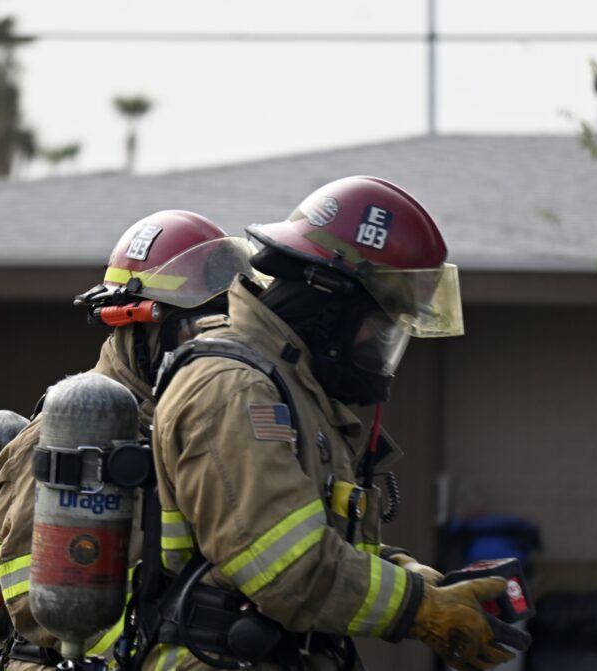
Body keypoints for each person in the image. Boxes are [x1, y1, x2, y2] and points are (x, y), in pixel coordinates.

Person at [143, 176, 530, 670]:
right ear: (328, 303)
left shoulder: (291, 386)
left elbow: (319, 542)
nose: (381, 349)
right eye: (381, 326)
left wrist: (412, 577)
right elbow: (284, 568)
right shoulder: (234, 388)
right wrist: (419, 608)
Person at [0, 210, 257, 670]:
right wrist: (188, 634)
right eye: (196, 331)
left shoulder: (193, 427)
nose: (212, 353)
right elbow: (38, 608)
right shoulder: (62, 440)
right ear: (136, 326)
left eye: (226, 331)